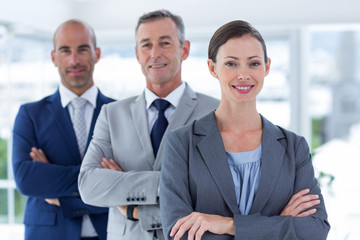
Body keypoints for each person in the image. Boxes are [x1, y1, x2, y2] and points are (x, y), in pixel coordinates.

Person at [159, 20, 330, 240]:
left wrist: (229, 225)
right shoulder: (182, 144)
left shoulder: (293, 147)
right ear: (213, 68)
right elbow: (178, 234)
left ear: (267, 67)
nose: (243, 74)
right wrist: (278, 222)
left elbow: (315, 230)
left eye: (254, 63)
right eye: (231, 63)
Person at [78, 9, 219, 240]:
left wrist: (129, 201)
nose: (155, 53)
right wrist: (174, 181)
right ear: (136, 54)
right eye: (146, 45)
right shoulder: (111, 114)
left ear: (184, 50)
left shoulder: (214, 112)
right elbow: (88, 185)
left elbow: (214, 193)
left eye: (165, 43)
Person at [12, 19, 114, 240]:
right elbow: (25, 179)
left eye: (83, 49)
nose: (74, 60)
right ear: (53, 57)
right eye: (65, 50)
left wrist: (56, 186)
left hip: (111, 233)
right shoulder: (30, 114)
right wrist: (101, 179)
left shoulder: (120, 113)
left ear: (96, 54)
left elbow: (128, 184)